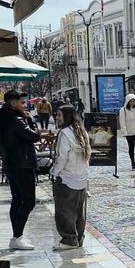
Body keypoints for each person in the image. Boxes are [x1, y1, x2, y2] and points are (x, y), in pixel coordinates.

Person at [0, 89, 41, 250]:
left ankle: (17, 235)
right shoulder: (15, 120)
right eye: (22, 102)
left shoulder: (3, 118)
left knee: (17, 199)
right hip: (22, 164)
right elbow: (34, 136)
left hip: (12, 164)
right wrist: (31, 120)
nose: (24, 105)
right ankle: (17, 235)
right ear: (13, 103)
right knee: (28, 201)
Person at [50, 105, 90, 250]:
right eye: (56, 115)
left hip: (67, 177)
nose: (57, 118)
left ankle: (69, 239)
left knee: (65, 211)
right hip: (81, 177)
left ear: (66, 116)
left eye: (60, 115)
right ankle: (79, 237)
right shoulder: (81, 131)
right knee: (79, 212)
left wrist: (55, 173)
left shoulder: (64, 133)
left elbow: (62, 157)